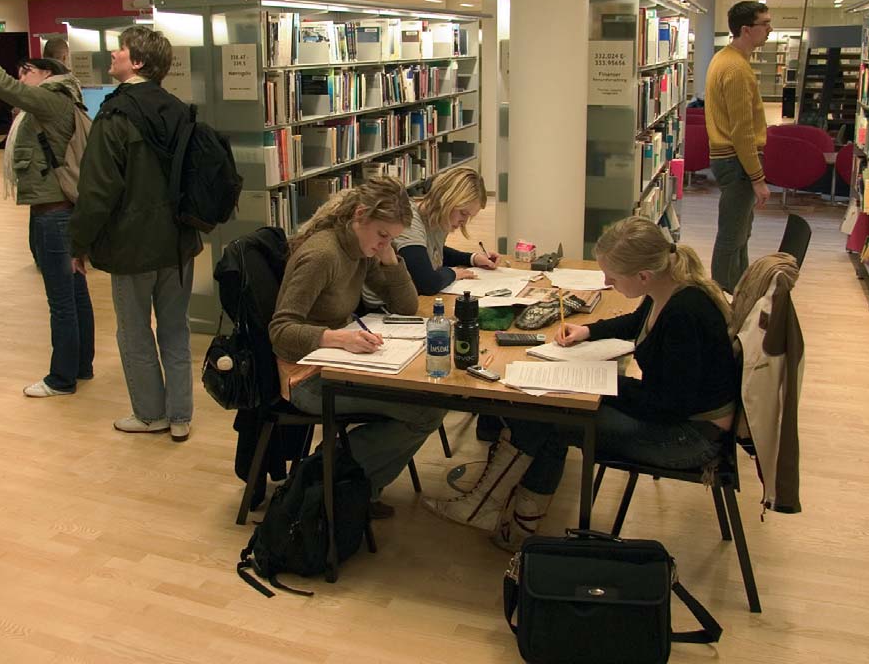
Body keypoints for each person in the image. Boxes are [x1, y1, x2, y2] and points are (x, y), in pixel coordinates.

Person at [425, 217, 738, 550]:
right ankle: (510, 520)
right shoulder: (668, 287)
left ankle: (497, 515)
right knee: (548, 414)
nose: (606, 282)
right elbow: (637, 323)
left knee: (551, 418)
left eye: (613, 278)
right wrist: (589, 331)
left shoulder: (684, 314)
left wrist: (600, 385)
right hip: (678, 416)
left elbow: (668, 403)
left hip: (688, 437)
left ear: (643, 276)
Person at [270, 177, 448, 518]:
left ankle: (352, 487)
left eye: (392, 238)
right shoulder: (322, 255)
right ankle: (333, 475)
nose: (384, 244)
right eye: (382, 235)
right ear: (360, 215)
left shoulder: (359, 249)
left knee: (432, 404)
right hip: (305, 376)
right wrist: (336, 337)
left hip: (338, 364)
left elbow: (406, 306)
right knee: (426, 412)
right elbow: (280, 330)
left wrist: (390, 258)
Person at [0, 24, 95, 398]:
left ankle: (62, 379)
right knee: (74, 291)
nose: (23, 77)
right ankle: (80, 364)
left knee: (62, 299)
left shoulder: (52, 99)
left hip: (53, 214)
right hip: (58, 210)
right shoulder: (60, 101)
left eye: (29, 71)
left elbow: (6, 87)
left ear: (49, 75)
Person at [69, 26, 200, 442]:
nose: (113, 52)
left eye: (120, 49)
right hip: (179, 243)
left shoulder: (114, 115)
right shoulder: (180, 110)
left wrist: (79, 242)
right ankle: (180, 416)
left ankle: (149, 414)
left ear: (137, 62)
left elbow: (97, 189)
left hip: (132, 246)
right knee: (175, 328)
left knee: (134, 331)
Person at [705, 0, 772, 293]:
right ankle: (722, 299)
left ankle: (738, 291)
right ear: (746, 29)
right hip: (737, 160)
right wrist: (758, 178)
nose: (770, 29)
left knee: (740, 233)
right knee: (732, 236)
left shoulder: (725, 59)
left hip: (730, 159)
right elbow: (742, 131)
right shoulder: (736, 68)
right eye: (765, 24)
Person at [360, 166, 497, 309]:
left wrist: (472, 258)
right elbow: (426, 282)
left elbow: (431, 252)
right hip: (383, 307)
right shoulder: (411, 222)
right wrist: (452, 273)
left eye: (469, 216)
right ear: (446, 201)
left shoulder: (440, 220)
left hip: (403, 303)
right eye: (463, 213)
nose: (464, 221)